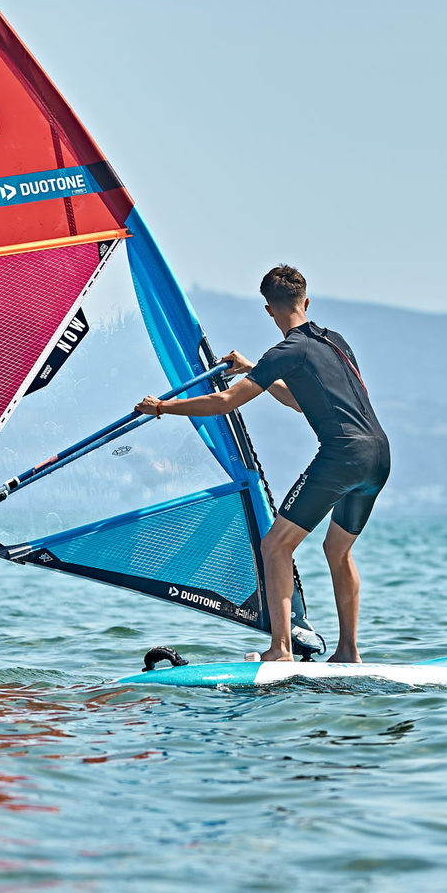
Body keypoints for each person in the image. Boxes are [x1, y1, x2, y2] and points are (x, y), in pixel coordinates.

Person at [136, 266, 389, 663]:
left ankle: (281, 649)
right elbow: (298, 399)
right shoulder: (335, 342)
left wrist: (163, 407)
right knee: (337, 551)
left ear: (269, 310)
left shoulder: (287, 351)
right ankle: (348, 653)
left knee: (275, 546)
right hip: (377, 455)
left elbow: (224, 403)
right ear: (306, 302)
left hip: (341, 455)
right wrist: (255, 368)